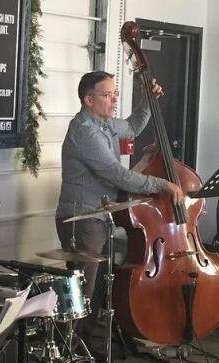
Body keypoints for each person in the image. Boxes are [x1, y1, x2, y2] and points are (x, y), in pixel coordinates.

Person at [55, 71, 185, 345]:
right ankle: (69, 352)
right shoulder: (84, 131)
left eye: (115, 94)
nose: (114, 99)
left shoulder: (106, 123)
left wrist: (147, 102)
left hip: (101, 217)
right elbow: (118, 175)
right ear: (88, 99)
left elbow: (133, 127)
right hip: (82, 218)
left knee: (99, 286)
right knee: (83, 290)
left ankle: (87, 349)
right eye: (107, 95)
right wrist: (163, 185)